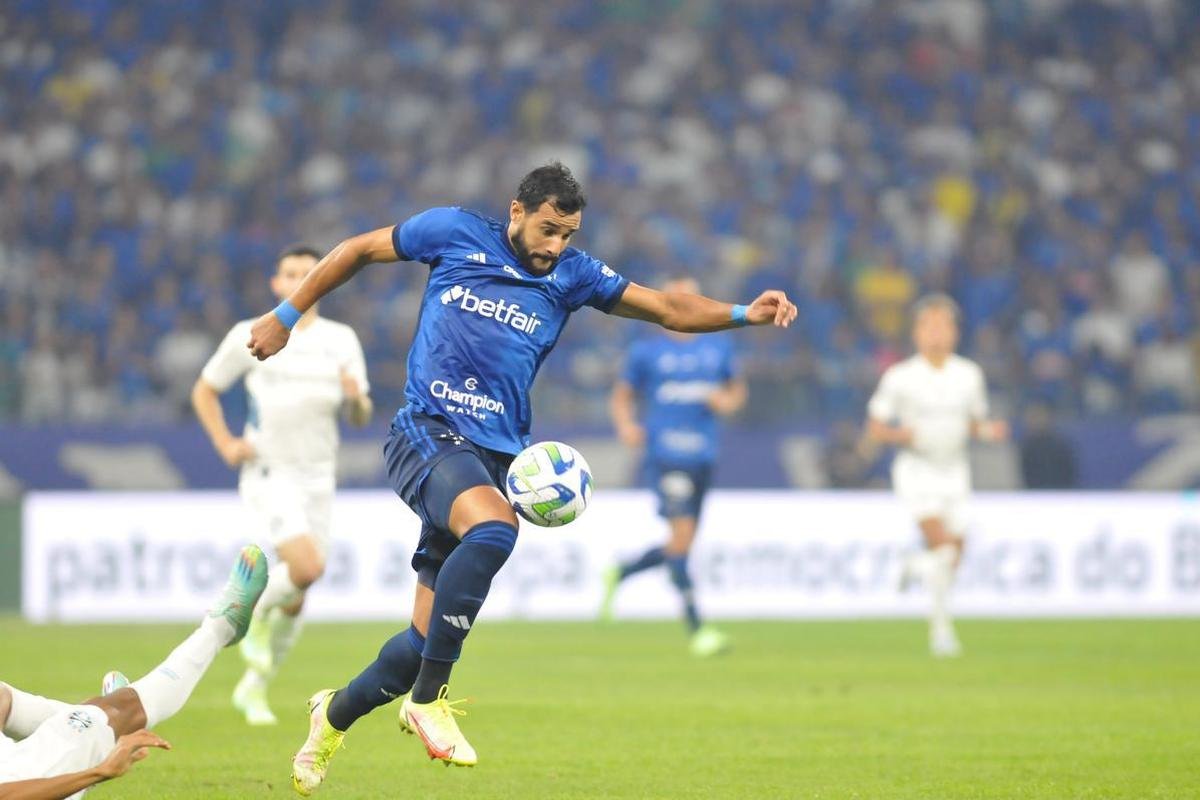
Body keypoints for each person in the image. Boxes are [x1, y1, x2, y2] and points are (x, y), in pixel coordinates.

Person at [242, 162, 797, 793]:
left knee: (416, 644)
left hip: (495, 456)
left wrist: (743, 313)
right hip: (426, 429)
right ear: (517, 211)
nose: (555, 246)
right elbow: (358, 249)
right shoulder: (451, 232)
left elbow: (669, 308)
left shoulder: (573, 274)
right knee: (496, 530)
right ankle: (430, 701)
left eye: (568, 234)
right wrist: (285, 315)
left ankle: (332, 716)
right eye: (548, 229)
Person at [191, 246, 373, 726]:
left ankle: (255, 686)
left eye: (307, 274)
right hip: (270, 472)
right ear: (276, 283)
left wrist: (356, 400)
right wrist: (225, 443)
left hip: (319, 476)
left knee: (298, 593)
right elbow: (205, 389)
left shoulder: (341, 340)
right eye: (289, 273)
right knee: (306, 567)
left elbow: (360, 417)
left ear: (322, 281)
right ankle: (246, 618)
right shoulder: (251, 333)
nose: (297, 280)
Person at [0, 545, 268, 800]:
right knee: (113, 713)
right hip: (20, 783)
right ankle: (220, 628)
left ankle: (100, 720)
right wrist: (100, 771)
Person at [599, 276, 747, 657]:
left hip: (703, 456)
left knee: (680, 545)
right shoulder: (647, 351)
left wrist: (727, 403)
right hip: (665, 455)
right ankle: (697, 629)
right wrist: (626, 425)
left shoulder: (717, 347)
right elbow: (623, 393)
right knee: (681, 541)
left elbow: (736, 391)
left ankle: (623, 571)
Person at [863, 294, 1009, 657]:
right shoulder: (900, 377)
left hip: (955, 470)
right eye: (928, 326)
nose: (936, 334)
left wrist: (989, 432)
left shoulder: (969, 375)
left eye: (943, 326)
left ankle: (915, 566)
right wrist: (902, 435)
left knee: (951, 556)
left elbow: (974, 423)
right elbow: (876, 427)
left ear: (955, 333)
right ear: (915, 333)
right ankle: (941, 632)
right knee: (942, 545)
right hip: (917, 470)